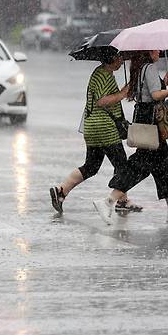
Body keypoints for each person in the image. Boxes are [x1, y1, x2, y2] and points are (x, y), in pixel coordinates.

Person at [93, 50, 168, 224]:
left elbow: (146, 91)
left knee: (163, 164)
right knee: (141, 163)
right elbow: (155, 96)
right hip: (151, 120)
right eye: (156, 49)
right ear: (148, 51)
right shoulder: (148, 67)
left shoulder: (139, 67)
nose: (159, 52)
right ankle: (108, 201)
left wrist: (162, 83)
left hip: (144, 116)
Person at [49, 47, 141, 214]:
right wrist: (122, 93)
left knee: (91, 166)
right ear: (111, 58)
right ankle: (121, 200)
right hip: (103, 127)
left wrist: (124, 92)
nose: (121, 61)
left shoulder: (103, 73)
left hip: (94, 127)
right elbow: (101, 101)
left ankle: (61, 191)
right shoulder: (102, 75)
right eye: (119, 58)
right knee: (122, 165)